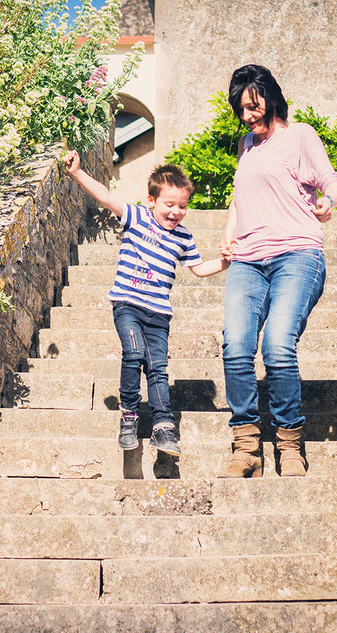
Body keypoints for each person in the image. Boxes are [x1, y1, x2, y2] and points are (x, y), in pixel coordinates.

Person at [218, 64, 337, 478]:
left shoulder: (300, 135)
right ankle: (247, 447)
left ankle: (290, 445)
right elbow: (239, 198)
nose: (248, 116)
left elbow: (332, 182)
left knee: (276, 345)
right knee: (236, 347)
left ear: (271, 98)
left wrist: (329, 202)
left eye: (253, 106)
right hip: (248, 260)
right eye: (241, 109)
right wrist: (229, 236)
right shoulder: (245, 146)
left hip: (297, 254)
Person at [64, 150, 230, 456]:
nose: (176, 212)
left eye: (182, 206)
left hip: (159, 314)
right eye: (170, 205)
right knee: (134, 352)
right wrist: (77, 173)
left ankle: (163, 428)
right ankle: (129, 417)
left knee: (158, 369)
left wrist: (225, 262)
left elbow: (198, 269)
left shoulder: (184, 238)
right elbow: (105, 197)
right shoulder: (137, 217)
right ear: (151, 201)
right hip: (127, 304)